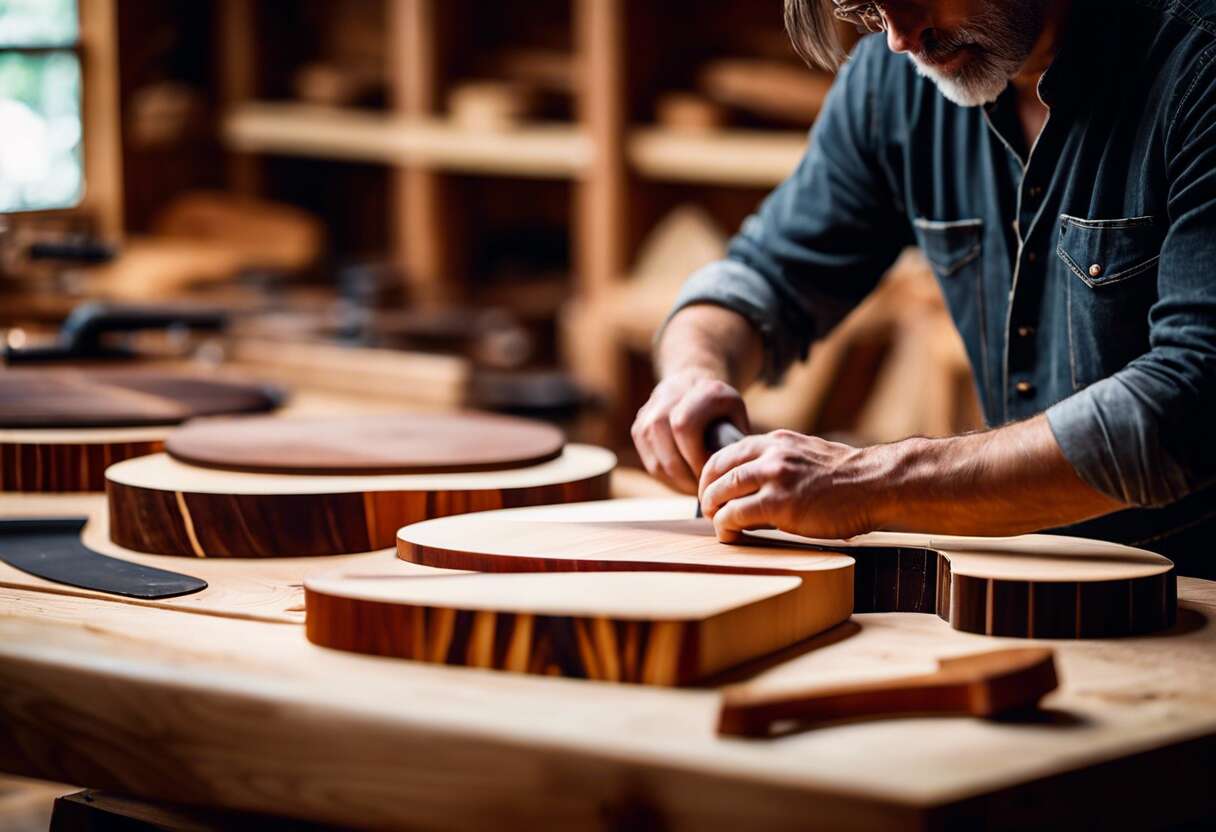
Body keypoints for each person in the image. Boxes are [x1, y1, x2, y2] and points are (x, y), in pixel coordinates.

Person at [632, 0, 1216, 578]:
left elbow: (1189, 402)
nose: (900, 39)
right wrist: (692, 370)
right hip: (1037, 574)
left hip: (1196, 582)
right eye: (866, 9)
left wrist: (868, 483)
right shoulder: (896, 84)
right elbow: (766, 273)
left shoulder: (1197, 66)